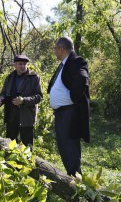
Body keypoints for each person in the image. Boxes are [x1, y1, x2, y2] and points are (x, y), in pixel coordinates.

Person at [47, 37, 90, 176]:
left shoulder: (76, 61)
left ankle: (76, 183)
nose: (54, 51)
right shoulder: (64, 64)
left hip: (69, 113)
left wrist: (73, 98)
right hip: (61, 113)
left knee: (70, 148)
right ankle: (71, 179)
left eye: (55, 48)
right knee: (64, 147)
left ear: (61, 48)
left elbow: (82, 79)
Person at [0, 55, 43, 146]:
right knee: (10, 146)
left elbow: (39, 97)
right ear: (15, 65)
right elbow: (3, 93)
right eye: (20, 64)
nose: (23, 66)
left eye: (24, 64)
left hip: (26, 118)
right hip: (11, 117)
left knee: (27, 147)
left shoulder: (34, 78)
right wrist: (1, 98)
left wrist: (24, 100)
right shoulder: (10, 77)